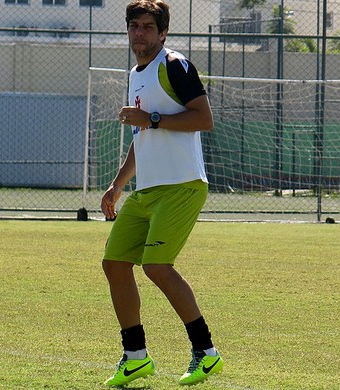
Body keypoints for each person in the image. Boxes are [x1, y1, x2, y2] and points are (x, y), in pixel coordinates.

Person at [101, 0, 224, 386]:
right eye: (134, 26)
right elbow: (142, 137)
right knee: (115, 263)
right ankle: (135, 356)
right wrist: (118, 184)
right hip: (146, 189)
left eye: (148, 27)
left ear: (163, 32)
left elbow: (204, 119)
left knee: (156, 267)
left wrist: (151, 118)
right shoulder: (135, 74)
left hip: (182, 185)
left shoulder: (175, 65)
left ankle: (206, 353)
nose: (140, 33)